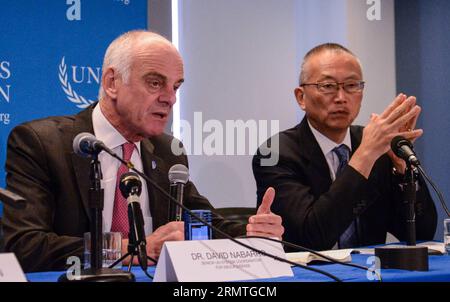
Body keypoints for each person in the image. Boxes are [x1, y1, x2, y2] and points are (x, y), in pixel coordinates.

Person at [2, 30, 284, 272]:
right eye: (155, 82)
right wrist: (134, 250)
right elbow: (24, 246)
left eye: (175, 87)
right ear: (112, 83)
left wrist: (249, 233)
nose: (170, 98)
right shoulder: (41, 143)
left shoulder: (167, 151)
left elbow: (201, 222)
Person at [252, 43, 437, 251]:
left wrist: (403, 171)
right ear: (301, 97)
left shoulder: (377, 147)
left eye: (351, 85)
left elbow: (423, 234)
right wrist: (364, 156)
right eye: (327, 86)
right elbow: (310, 237)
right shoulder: (275, 153)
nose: (341, 98)